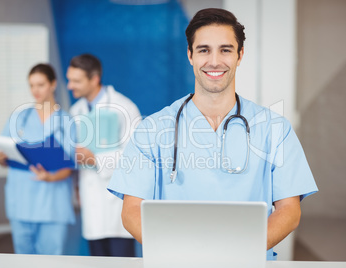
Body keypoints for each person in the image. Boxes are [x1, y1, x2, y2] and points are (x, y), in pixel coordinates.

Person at [107, 8, 318, 260]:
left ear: (240, 55)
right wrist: (182, 254)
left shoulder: (274, 128)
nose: (215, 61)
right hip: (174, 262)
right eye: (204, 50)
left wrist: (235, 252)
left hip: (246, 262)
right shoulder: (152, 129)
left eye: (226, 50)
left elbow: (289, 211)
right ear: (190, 55)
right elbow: (131, 211)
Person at [0, 63, 77, 255]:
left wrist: (51, 177)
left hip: (52, 204)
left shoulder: (67, 121)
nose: (35, 90)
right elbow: (5, 157)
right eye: (31, 85)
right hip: (21, 200)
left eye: (40, 84)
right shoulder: (19, 117)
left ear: (53, 84)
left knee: (51, 262)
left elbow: (70, 164)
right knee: (23, 261)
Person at [66, 54, 141, 257]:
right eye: (69, 79)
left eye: (76, 81)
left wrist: (95, 159)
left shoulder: (124, 107)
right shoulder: (75, 110)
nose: (69, 86)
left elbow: (136, 156)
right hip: (91, 204)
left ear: (94, 79)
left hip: (115, 204)